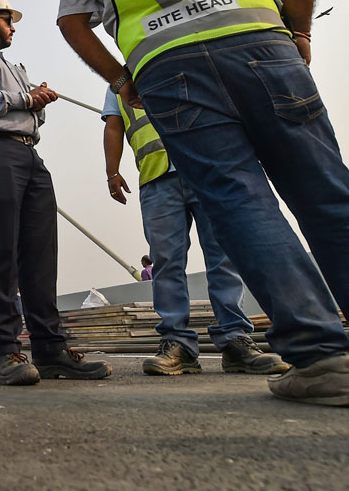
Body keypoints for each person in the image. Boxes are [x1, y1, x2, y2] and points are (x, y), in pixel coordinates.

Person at [57, 0, 349, 405]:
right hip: (262, 48)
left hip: (171, 73)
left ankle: (324, 359)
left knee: (240, 203)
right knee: (325, 189)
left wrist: (122, 78)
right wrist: (300, 31)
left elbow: (73, 22)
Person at [0, 0, 112, 385]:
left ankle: (51, 349)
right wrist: (26, 99)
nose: (13, 27)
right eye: (8, 21)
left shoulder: (14, 67)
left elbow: (31, 109)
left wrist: (38, 101)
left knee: (40, 252)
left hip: (28, 154)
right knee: (1, 248)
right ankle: (2, 352)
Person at [103, 87, 288, 376]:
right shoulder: (119, 84)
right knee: (165, 262)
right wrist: (112, 172)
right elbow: (114, 125)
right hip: (157, 178)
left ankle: (235, 339)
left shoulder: (183, 58)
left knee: (224, 256)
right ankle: (177, 343)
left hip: (209, 170)